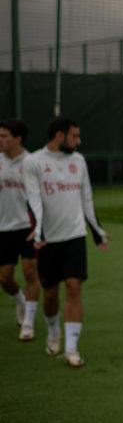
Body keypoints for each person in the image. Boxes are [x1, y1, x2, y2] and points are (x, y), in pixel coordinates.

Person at [23, 116, 110, 367]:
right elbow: (34, 200)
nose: (79, 141)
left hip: (75, 236)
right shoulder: (34, 162)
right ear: (60, 136)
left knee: (74, 287)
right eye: (75, 136)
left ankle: (71, 349)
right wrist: (37, 230)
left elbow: (87, 198)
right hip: (49, 239)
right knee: (50, 293)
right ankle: (53, 331)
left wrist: (97, 232)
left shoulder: (79, 160)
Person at [0, 118, 41, 342]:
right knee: (5, 279)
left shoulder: (33, 162)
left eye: (4, 136)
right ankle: (22, 303)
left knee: (30, 271)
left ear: (18, 139)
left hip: (28, 227)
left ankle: (28, 323)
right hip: (3, 228)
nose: (0, 140)